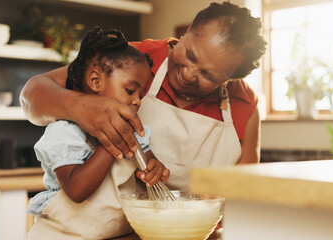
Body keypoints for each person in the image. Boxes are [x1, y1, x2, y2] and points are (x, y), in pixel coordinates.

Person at [20, 2, 267, 191]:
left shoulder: (243, 104)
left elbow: (245, 194)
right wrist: (82, 106)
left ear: (230, 79)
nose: (188, 74)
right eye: (189, 54)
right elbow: (31, 95)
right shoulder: (133, 62)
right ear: (188, 30)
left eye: (208, 75)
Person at [25, 27, 170, 240]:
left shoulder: (134, 132)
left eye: (142, 93)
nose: (137, 100)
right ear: (95, 82)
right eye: (130, 90)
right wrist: (111, 142)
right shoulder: (63, 132)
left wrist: (155, 169)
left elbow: (147, 163)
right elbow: (76, 190)